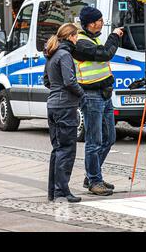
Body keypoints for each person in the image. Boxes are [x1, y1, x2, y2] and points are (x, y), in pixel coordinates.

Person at [72, 6, 124, 196]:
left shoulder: (93, 38)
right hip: (91, 96)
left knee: (109, 138)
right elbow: (105, 54)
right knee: (94, 141)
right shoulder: (81, 43)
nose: (103, 23)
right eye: (100, 20)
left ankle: (92, 174)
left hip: (104, 93)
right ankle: (94, 180)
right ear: (91, 23)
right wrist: (114, 36)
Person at [44, 23, 85, 203]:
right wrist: (82, 94)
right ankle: (62, 191)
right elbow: (69, 81)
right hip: (65, 107)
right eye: (76, 36)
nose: (77, 39)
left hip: (52, 106)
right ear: (70, 36)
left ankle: (53, 191)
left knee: (57, 149)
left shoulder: (52, 54)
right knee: (67, 149)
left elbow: (46, 80)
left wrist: (56, 89)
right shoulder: (65, 55)